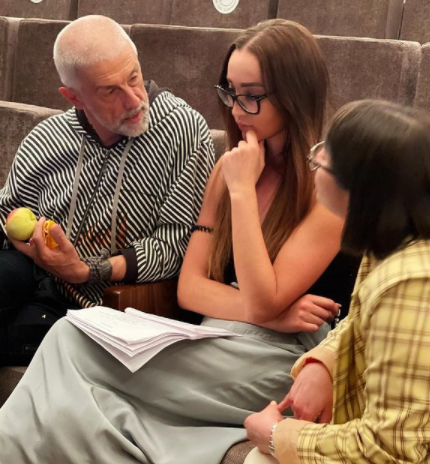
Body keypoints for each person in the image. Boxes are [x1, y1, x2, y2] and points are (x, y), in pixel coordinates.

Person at [0, 19, 359, 464]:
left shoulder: (330, 182)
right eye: (230, 91)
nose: (237, 109)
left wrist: (242, 193)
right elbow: (192, 290)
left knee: (70, 341)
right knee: (72, 349)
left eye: (252, 94)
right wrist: (275, 312)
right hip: (214, 340)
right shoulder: (228, 169)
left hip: (286, 364)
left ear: (294, 94)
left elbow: (263, 300)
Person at [244, 100, 430, 464]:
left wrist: (279, 437)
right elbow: (359, 321)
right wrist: (324, 361)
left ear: (361, 187)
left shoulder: (417, 283)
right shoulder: (402, 228)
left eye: (327, 154)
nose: (316, 157)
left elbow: (389, 450)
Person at [0, 15, 215, 365]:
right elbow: (7, 213)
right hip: (41, 282)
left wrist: (87, 270)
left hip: (116, 304)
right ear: (74, 97)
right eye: (110, 91)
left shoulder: (182, 129)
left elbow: (178, 245)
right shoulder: (47, 139)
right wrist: (29, 243)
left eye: (134, 77)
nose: (134, 100)